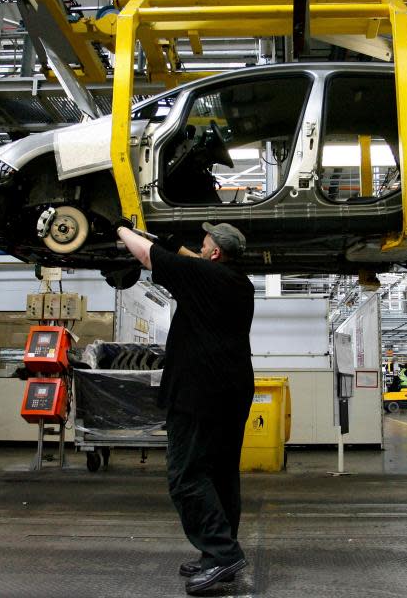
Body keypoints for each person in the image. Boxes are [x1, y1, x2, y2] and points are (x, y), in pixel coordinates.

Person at [116, 220, 255, 595]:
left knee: (187, 475)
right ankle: (216, 553)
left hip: (199, 392)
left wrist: (118, 227)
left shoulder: (205, 276)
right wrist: (172, 242)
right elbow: (190, 259)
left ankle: (224, 553)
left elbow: (146, 256)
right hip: (230, 392)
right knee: (221, 474)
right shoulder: (237, 282)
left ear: (214, 253)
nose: (199, 245)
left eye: (204, 242)